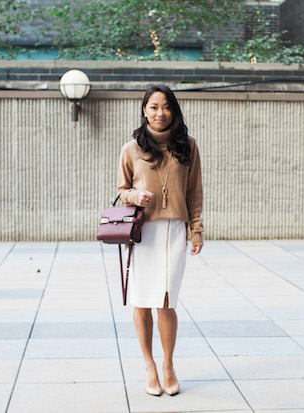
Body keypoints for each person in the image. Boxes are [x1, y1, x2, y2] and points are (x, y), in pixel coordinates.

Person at [117, 84, 204, 396]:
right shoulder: (131, 148)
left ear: (174, 110)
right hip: (144, 232)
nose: (160, 113)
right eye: (153, 107)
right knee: (142, 300)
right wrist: (135, 195)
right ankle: (149, 364)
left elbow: (194, 192)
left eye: (166, 107)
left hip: (174, 232)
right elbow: (120, 190)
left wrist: (197, 229)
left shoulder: (188, 145)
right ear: (144, 110)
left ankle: (168, 364)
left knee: (166, 301)